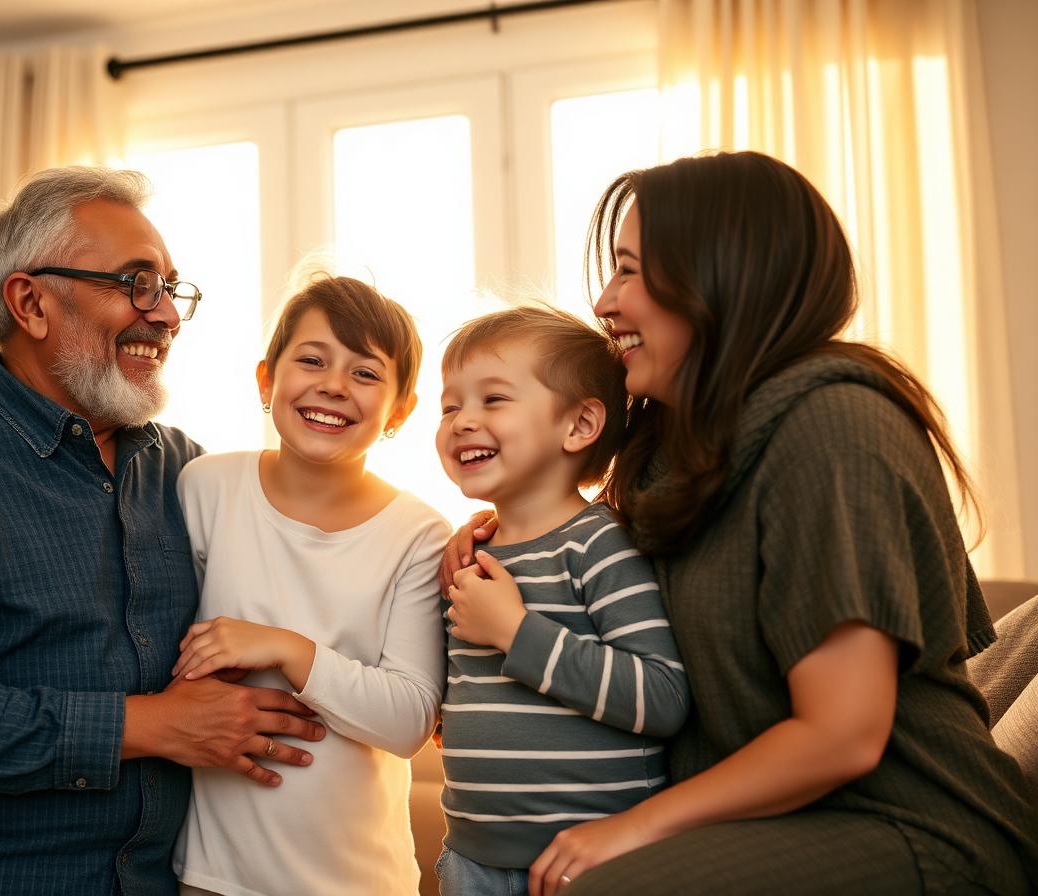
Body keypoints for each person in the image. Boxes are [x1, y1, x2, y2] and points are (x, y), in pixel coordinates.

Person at [447, 152, 1038, 895]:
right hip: (771, 823)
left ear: (717, 276)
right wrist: (493, 537)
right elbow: (591, 564)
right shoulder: (679, 447)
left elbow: (843, 735)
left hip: (907, 825)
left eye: (629, 270)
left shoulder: (833, 426)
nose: (604, 301)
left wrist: (635, 825)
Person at [0, 166, 325, 896]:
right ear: (30, 302)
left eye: (169, 287)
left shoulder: (185, 468)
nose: (166, 316)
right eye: (135, 282)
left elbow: (312, 546)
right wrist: (150, 725)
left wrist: (461, 540)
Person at [167, 274, 450, 896]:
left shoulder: (419, 534)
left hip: (359, 881)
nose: (333, 385)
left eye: (366, 373)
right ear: (267, 379)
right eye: (313, 360)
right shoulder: (205, 488)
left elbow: (407, 720)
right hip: (213, 877)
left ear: (400, 409)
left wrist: (286, 648)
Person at [433, 306, 689, 896]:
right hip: (471, 860)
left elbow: (663, 698)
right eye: (450, 406)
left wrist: (517, 632)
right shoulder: (468, 550)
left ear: (578, 426)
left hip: (591, 863)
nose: (462, 421)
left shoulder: (601, 544)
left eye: (493, 400)